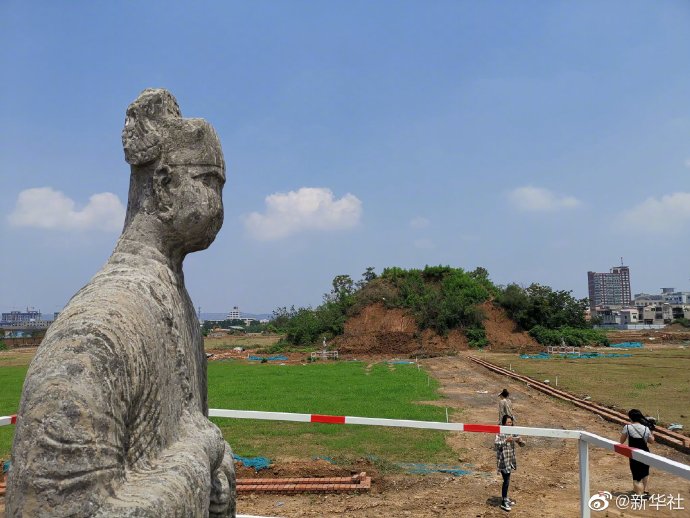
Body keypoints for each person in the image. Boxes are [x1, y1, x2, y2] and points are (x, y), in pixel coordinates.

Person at [7, 89, 234, 517]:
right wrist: (198, 454)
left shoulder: (176, 303)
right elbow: (65, 507)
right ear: (165, 186)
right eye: (208, 184)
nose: (219, 206)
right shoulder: (100, 330)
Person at [620, 408, 655, 498]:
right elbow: (651, 441)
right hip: (645, 452)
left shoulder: (627, 427)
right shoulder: (646, 428)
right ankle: (646, 491)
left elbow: (621, 441)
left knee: (636, 475)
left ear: (630, 417)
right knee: (645, 472)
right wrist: (652, 431)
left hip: (633, 454)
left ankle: (639, 495)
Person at [495, 414, 525, 512]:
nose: (510, 424)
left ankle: (505, 497)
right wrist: (505, 440)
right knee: (506, 480)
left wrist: (520, 441)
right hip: (503, 460)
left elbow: (522, 444)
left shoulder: (512, 431)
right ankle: (504, 501)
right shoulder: (500, 432)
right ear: (504, 423)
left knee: (507, 480)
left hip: (510, 460)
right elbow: (496, 445)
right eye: (508, 422)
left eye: (511, 422)